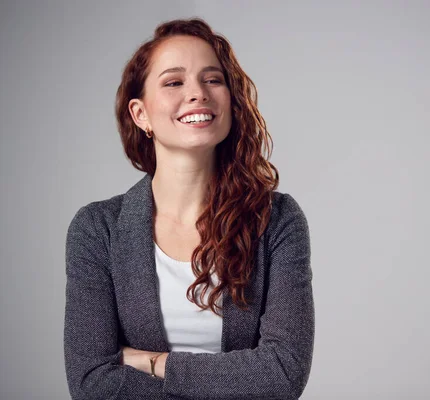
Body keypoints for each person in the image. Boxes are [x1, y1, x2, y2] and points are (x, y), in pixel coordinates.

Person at [63, 17, 314, 400]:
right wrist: (233, 380)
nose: (197, 93)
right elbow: (93, 382)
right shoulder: (98, 229)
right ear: (140, 114)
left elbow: (282, 374)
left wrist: (153, 363)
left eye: (212, 79)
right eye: (174, 82)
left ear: (231, 100)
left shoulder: (276, 220)